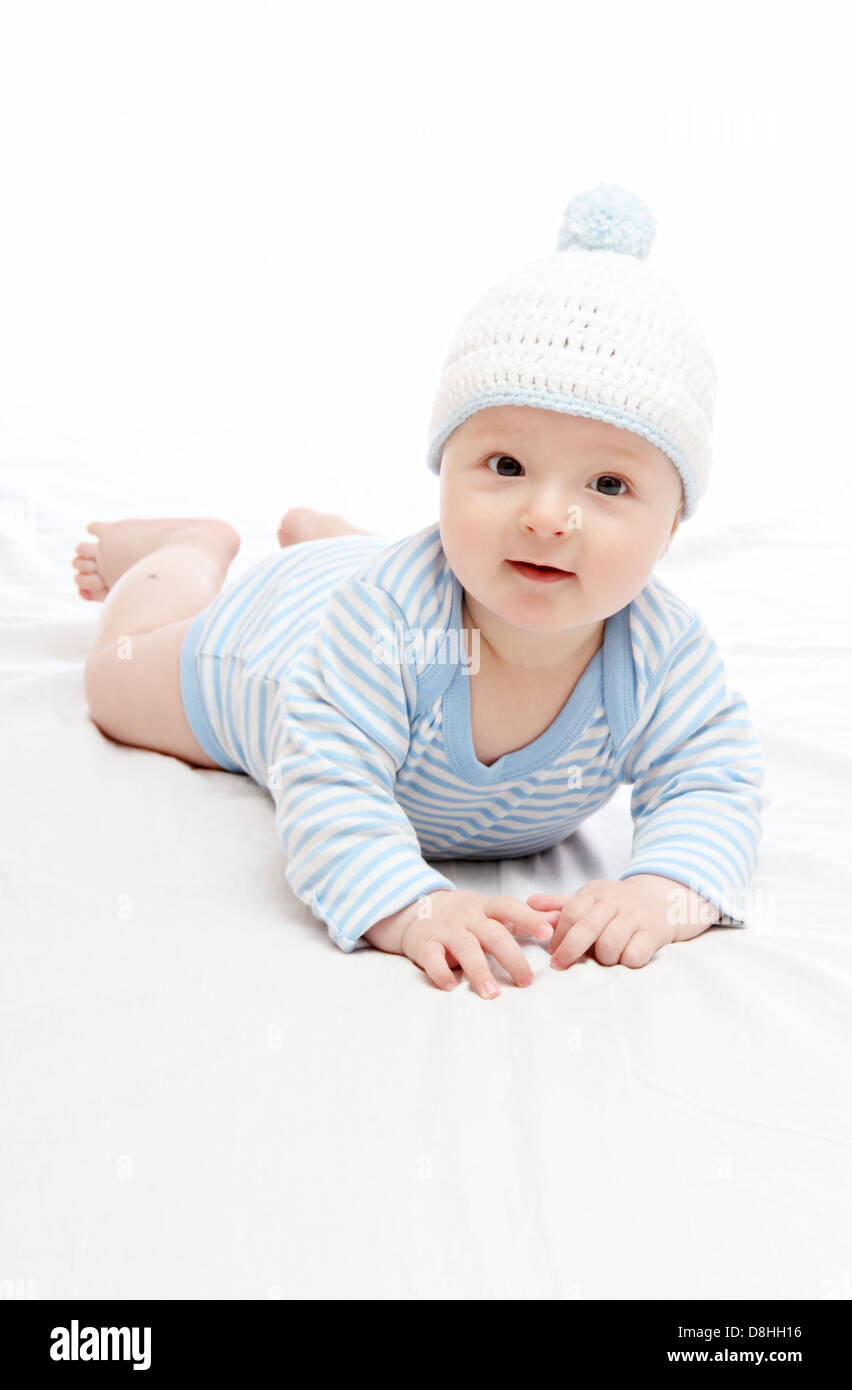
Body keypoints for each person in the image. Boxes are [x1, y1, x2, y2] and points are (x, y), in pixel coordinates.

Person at [73, 183, 765, 999]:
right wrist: (410, 905)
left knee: (399, 564)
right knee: (114, 685)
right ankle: (187, 551)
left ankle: (332, 534)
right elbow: (330, 785)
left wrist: (663, 889)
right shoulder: (384, 626)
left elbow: (713, 782)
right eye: (505, 467)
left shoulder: (660, 651)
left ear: (675, 522)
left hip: (376, 569)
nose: (548, 517)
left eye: (609, 483)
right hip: (279, 636)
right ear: (445, 471)